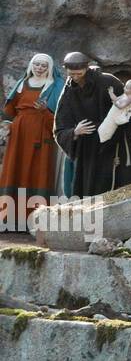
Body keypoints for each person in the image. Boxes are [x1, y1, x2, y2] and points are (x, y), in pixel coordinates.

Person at [53, 52, 131, 196]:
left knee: (116, 186)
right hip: (88, 146)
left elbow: (129, 105)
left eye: (78, 73)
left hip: (113, 143)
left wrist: (115, 125)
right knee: (90, 189)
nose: (75, 77)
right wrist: (74, 132)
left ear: (86, 68)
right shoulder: (68, 89)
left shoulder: (108, 82)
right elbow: (61, 122)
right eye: (71, 73)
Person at [0, 54, 63, 230]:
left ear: (49, 67)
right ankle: (9, 220)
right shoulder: (22, 83)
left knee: (38, 171)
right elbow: (9, 111)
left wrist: (45, 111)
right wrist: (7, 125)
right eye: (36, 64)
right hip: (19, 134)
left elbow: (60, 116)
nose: (40, 68)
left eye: (43, 65)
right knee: (14, 169)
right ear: (31, 65)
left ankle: (35, 221)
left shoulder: (55, 86)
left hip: (42, 133)